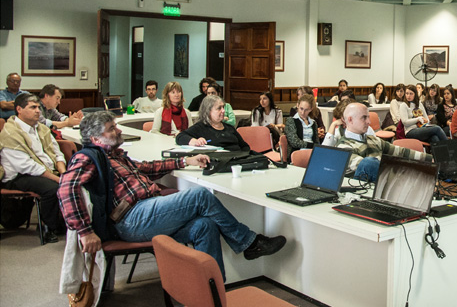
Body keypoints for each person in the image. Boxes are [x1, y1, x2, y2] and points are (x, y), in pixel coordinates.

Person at [57, 111, 285, 280]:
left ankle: (211, 291)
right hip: (131, 219)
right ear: (96, 139)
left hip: (149, 210)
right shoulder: (88, 157)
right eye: (112, 128)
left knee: (205, 225)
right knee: (199, 196)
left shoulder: (116, 156)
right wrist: (85, 231)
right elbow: (66, 189)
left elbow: (146, 167)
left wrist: (186, 160)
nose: (118, 130)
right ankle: (249, 242)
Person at [0, 93, 66, 242]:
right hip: (18, 176)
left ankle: (64, 222)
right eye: (33, 107)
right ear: (19, 109)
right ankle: (47, 226)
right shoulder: (10, 133)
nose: (38, 111)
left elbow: (57, 153)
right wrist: (58, 179)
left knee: (72, 181)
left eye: (38, 107)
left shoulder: (41, 129)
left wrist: (63, 173)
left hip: (45, 170)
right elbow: (27, 167)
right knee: (52, 188)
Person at [336, 103, 432, 182]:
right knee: (369, 163)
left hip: (382, 188)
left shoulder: (372, 139)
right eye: (364, 118)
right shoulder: (343, 148)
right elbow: (369, 167)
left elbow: (401, 152)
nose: (369, 121)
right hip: (360, 196)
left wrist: (430, 160)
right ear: (350, 119)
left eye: (368, 117)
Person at [177, 96, 250, 152]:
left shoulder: (229, 128)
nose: (223, 110)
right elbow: (180, 137)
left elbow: (244, 146)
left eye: (223, 107)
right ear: (208, 111)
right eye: (219, 108)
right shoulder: (201, 127)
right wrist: (195, 141)